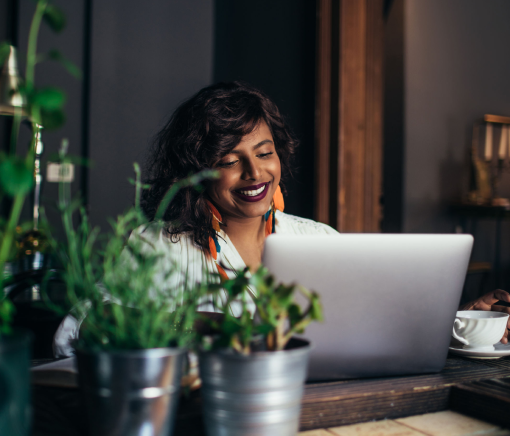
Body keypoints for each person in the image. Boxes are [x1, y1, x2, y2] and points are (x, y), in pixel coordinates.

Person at [54, 80, 510, 355]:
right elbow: (79, 328)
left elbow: (375, 328)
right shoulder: (157, 244)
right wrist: (199, 322)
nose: (255, 173)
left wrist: (469, 319)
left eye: (264, 152)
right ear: (197, 171)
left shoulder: (320, 239)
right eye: (230, 160)